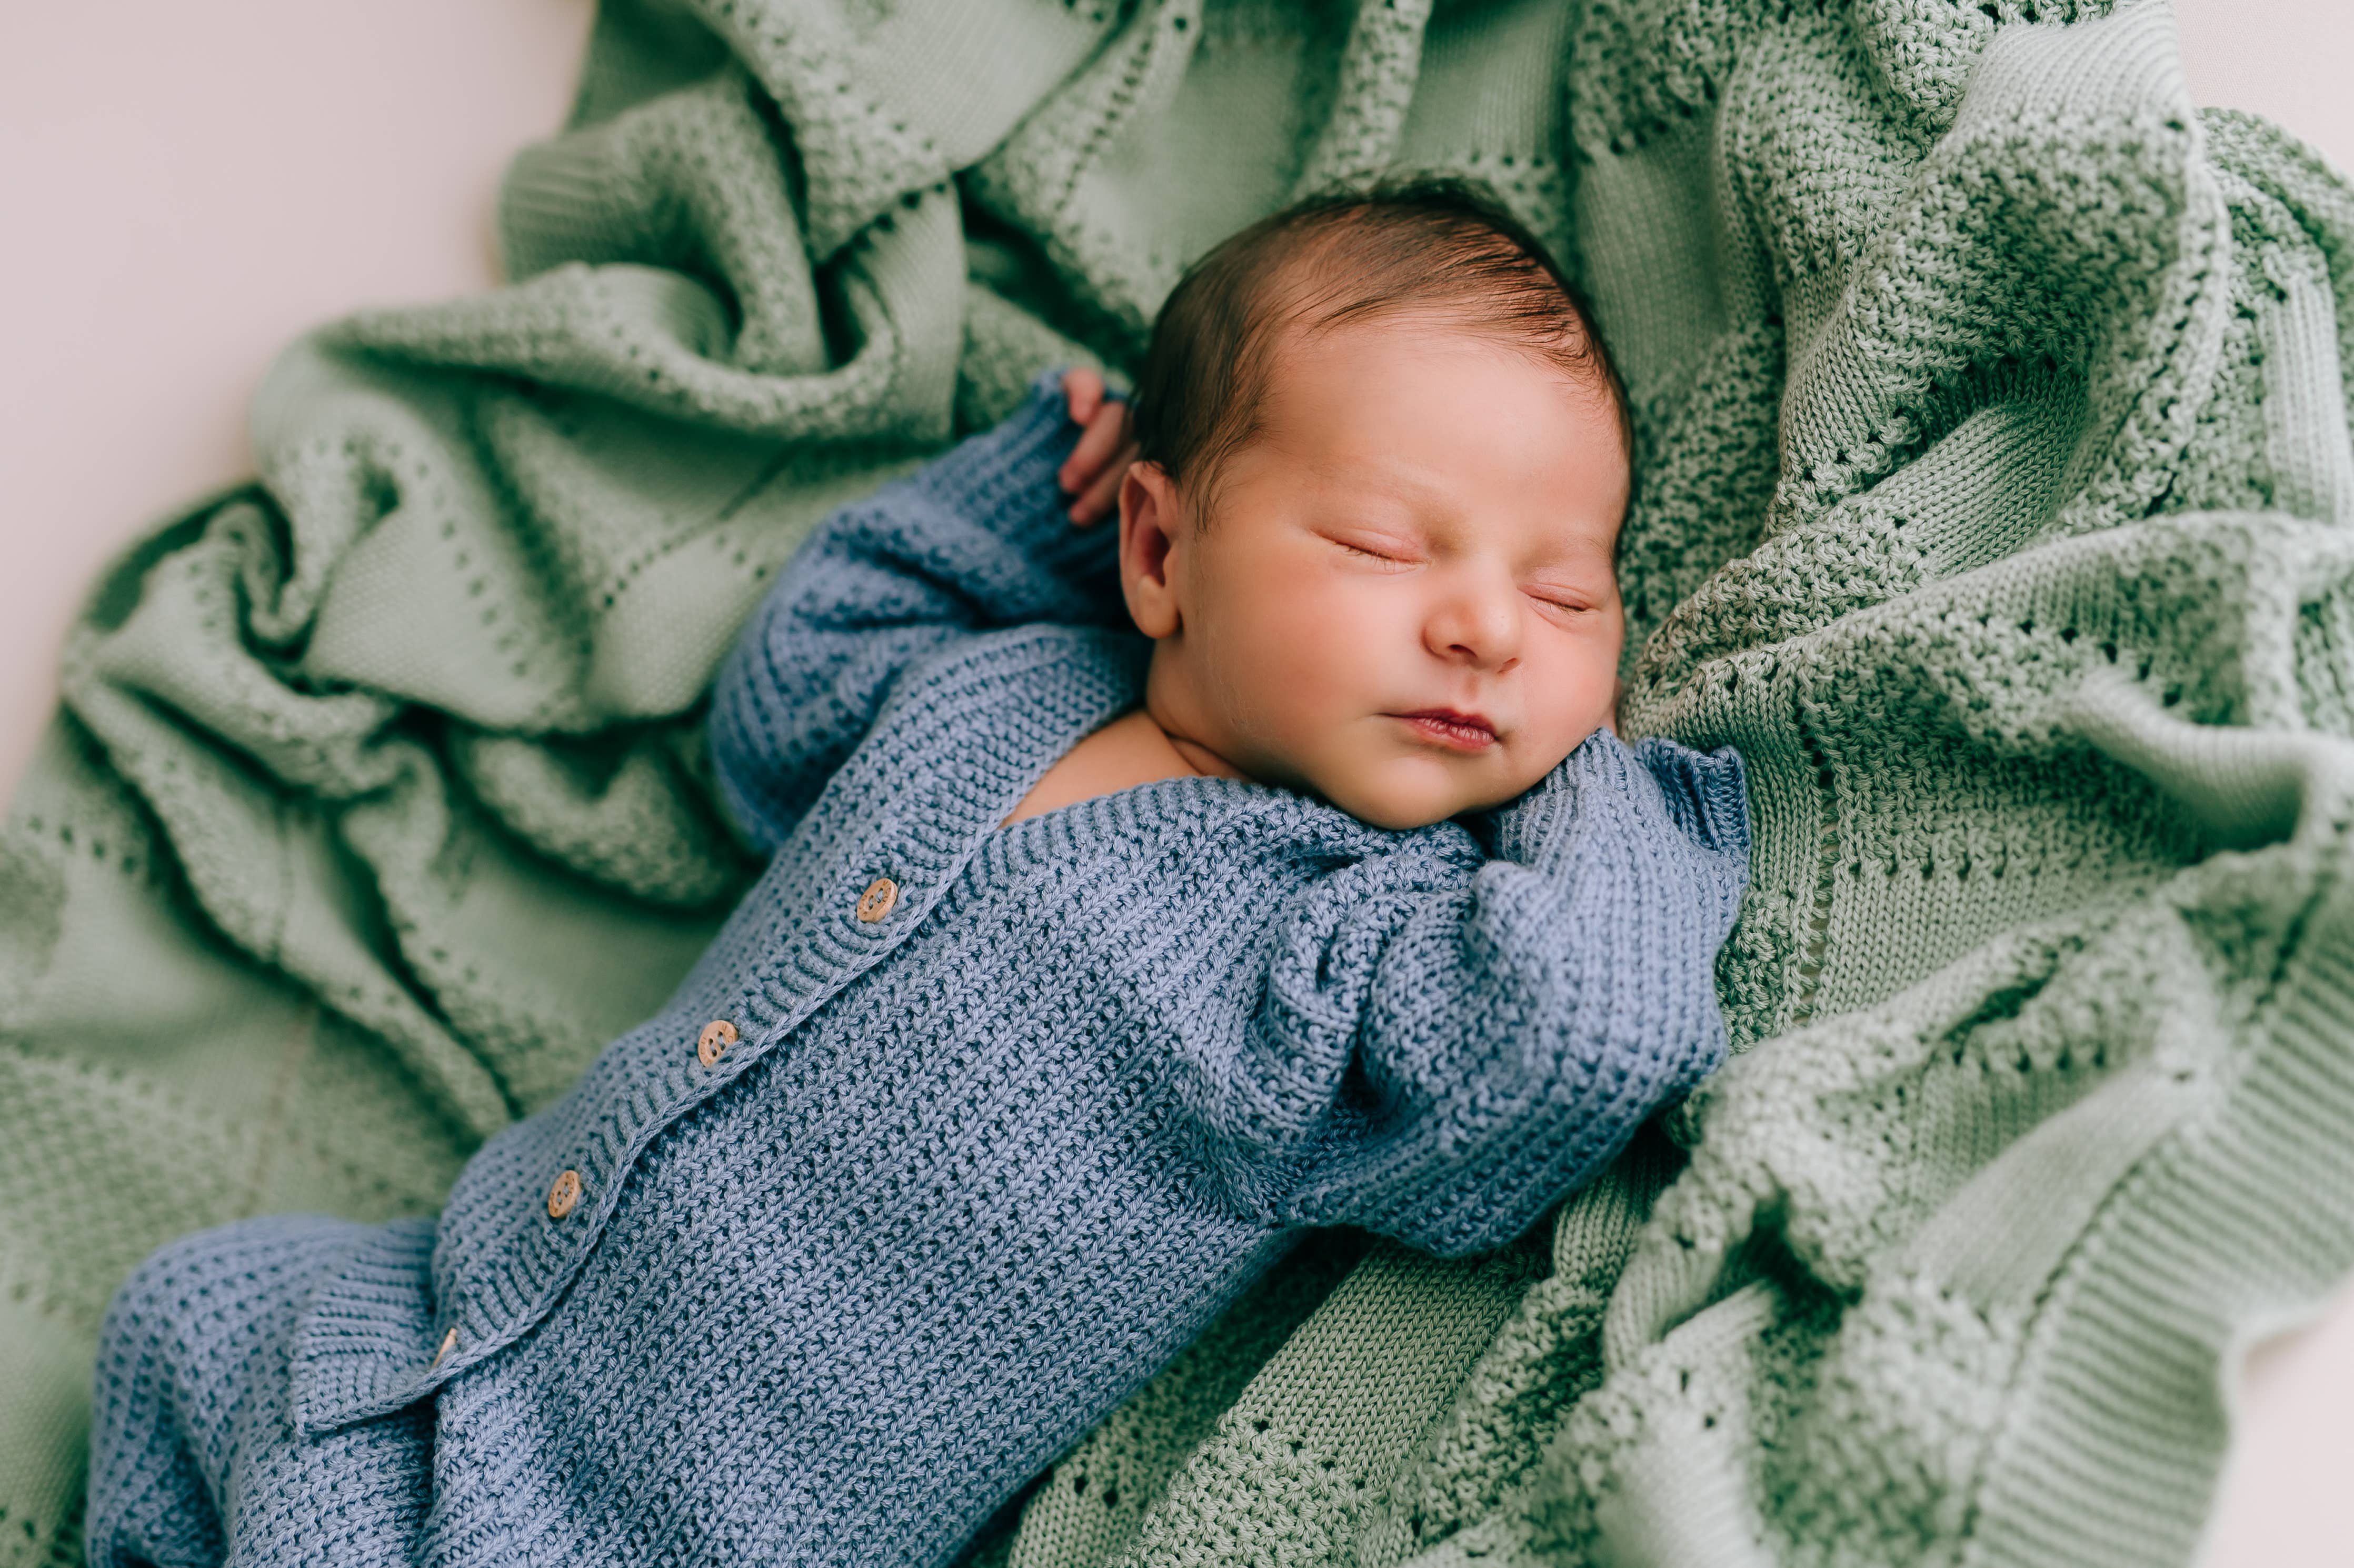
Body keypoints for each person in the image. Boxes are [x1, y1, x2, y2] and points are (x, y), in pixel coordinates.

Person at [86, 181, 1749, 1568]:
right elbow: (785, 701)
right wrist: (1039, 497)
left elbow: (1576, 1030)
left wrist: (1612, 783)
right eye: (1389, 545)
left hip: (641, 1527)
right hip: (434, 1312)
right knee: (183, 1319)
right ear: (1163, 549)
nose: (1484, 624)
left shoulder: (1333, 945)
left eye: (1568, 594)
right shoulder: (1007, 680)